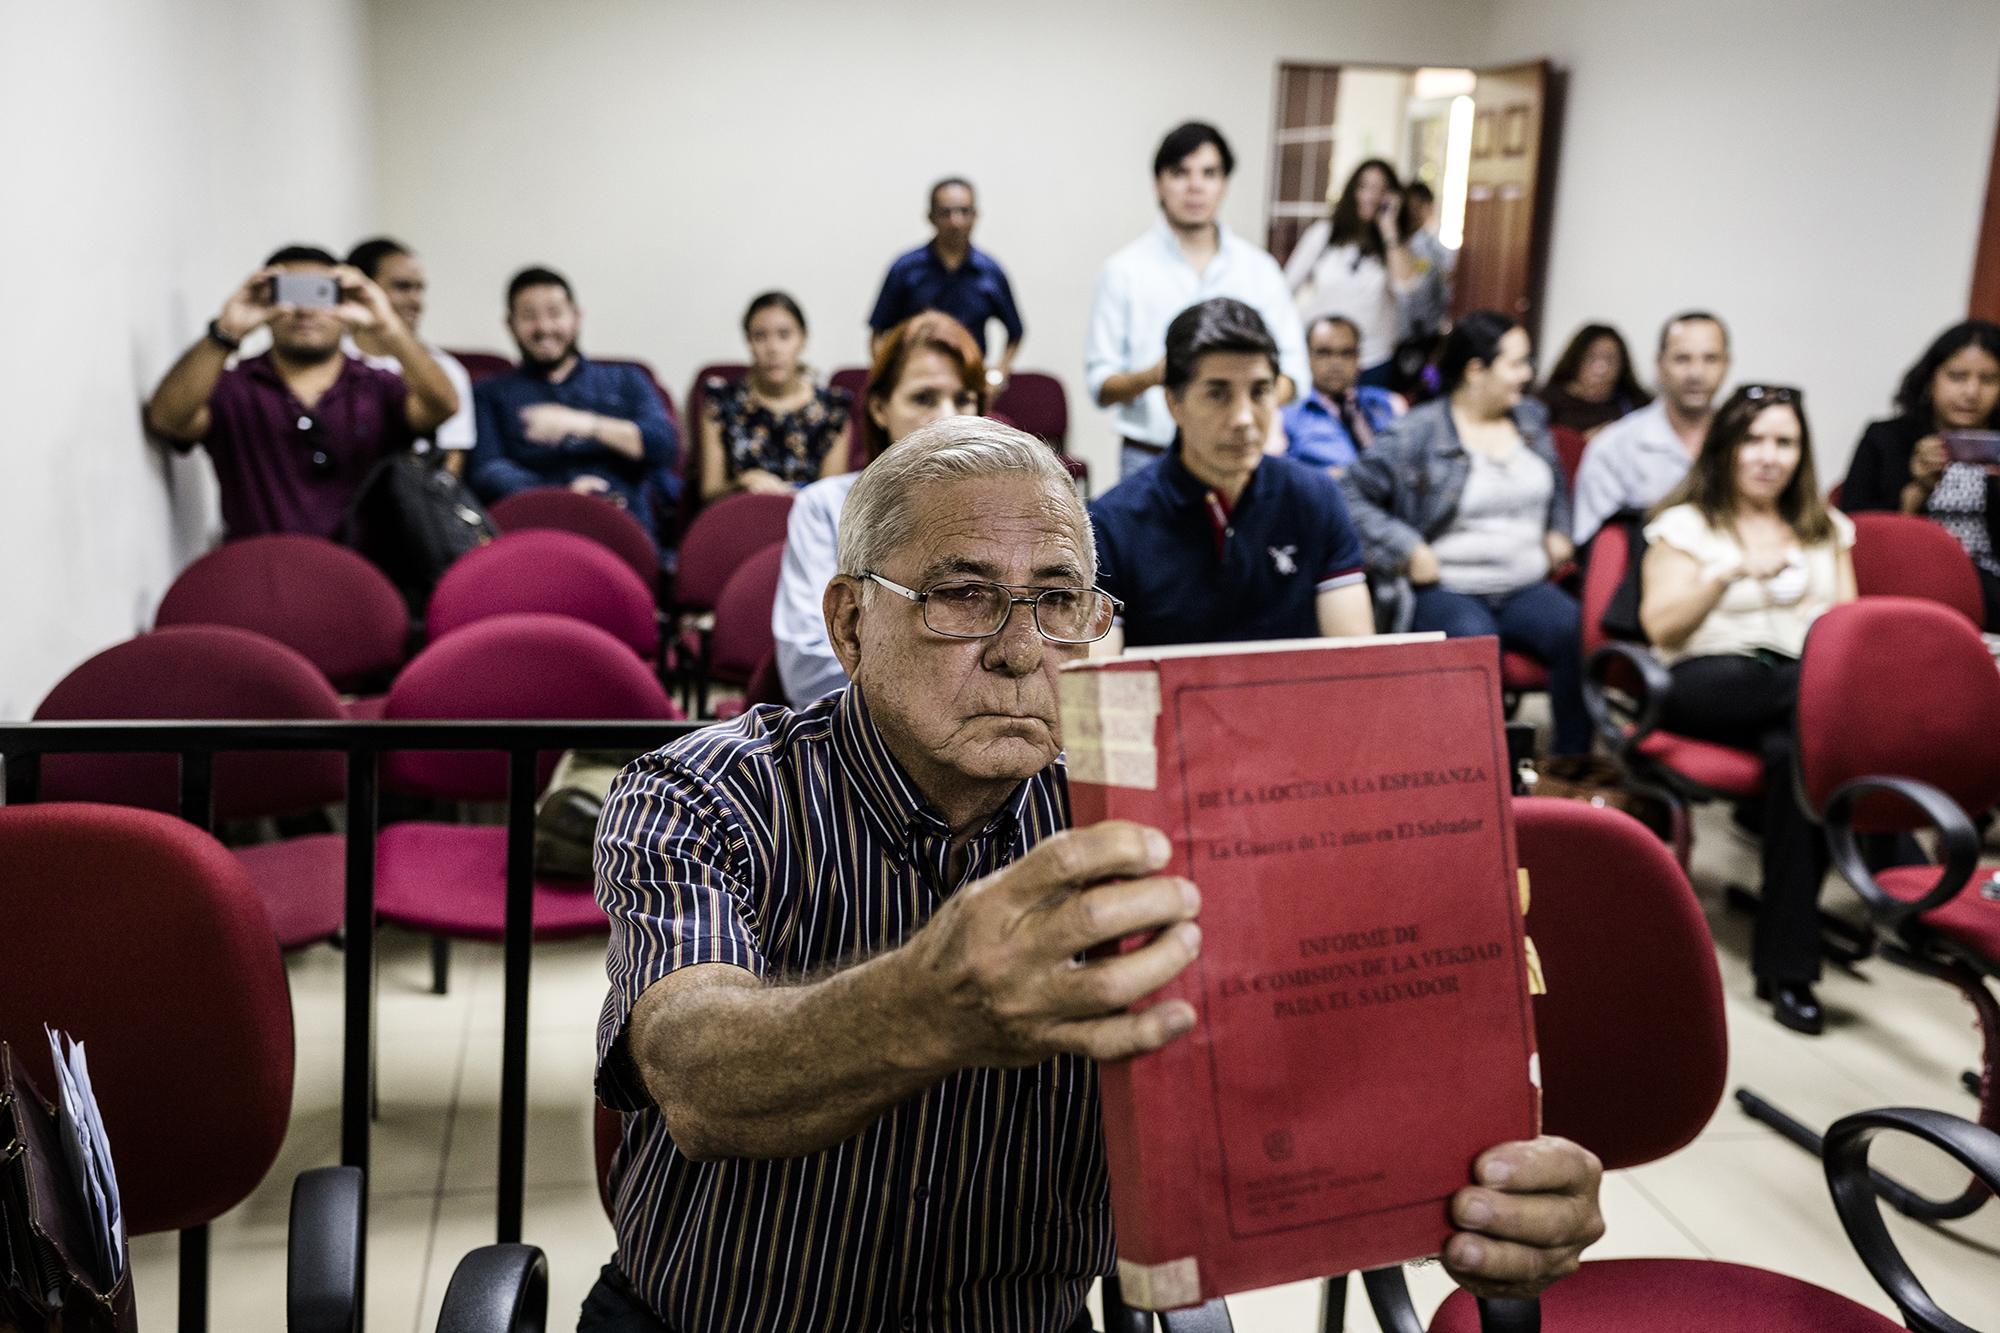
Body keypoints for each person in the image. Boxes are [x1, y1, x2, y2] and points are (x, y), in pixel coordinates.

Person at [587, 415, 1606, 1332]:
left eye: (1059, 601)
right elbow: (694, 1075)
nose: (1022, 650)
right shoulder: (704, 793)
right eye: (961, 596)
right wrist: (932, 1004)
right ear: (849, 624)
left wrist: (1479, 1190)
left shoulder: (1155, 820)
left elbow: (1303, 1098)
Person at [1639, 386, 1855, 1034]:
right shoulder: (1686, 525)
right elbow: (1661, 627)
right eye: (1754, 440)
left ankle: (1787, 966)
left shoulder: (1824, 527)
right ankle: (1887, 844)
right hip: (1708, 680)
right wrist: (1727, 573)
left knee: (1799, 747)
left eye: (1784, 442)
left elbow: (1848, 623)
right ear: (1728, 447)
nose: (1769, 456)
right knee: (1820, 704)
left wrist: (1821, 620)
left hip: (1794, 690)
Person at [1342, 311, 1589, 755]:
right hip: (1448, 587)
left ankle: (1574, 765)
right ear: (1476, 370)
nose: (1528, 375)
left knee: (1576, 631)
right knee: (1476, 648)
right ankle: (1483, 774)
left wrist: (1558, 529)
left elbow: (1554, 485)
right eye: (1516, 364)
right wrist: (1405, 547)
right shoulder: (1417, 431)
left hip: (1524, 584)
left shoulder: (1530, 419)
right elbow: (1348, 496)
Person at [1091, 299, 1372, 652]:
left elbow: (1355, 661)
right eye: (1218, 393)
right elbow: (1096, 688)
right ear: (1173, 403)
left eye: (1259, 392)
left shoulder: (1315, 497)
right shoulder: (1112, 524)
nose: (1243, 417)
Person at [146, 244, 460, 540]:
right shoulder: (233, 387)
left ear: (343, 303)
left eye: (321, 294)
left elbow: (443, 405)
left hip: (365, 581)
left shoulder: (378, 385)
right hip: (260, 574)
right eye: (290, 293)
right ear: (267, 301)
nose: (305, 310)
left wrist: (388, 327)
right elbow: (167, 419)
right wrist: (227, 331)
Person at [772, 312, 986, 704]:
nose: (949, 417)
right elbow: (806, 669)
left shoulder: (1001, 516)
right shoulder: (824, 508)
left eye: (964, 398)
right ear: (879, 409)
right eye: (924, 398)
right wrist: (949, 693)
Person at [1086, 121, 1307, 480]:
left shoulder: (1260, 270)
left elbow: (1295, 375)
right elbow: (1101, 384)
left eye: (1209, 173)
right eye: (1180, 173)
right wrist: (1154, 376)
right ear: (1159, 183)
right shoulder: (1123, 271)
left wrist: (1241, 397)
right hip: (1150, 457)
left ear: (1224, 184)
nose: (1195, 186)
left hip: (1240, 457)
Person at [467, 267, 679, 532]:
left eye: (555, 313)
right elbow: (487, 472)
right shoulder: (489, 393)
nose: (544, 327)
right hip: (536, 525)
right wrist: (563, 496)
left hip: (623, 521)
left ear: (576, 317)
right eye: (529, 316)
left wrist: (585, 424)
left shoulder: (627, 378)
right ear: (510, 325)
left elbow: (664, 445)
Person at [1840, 320, 2000, 628]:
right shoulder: (1887, 438)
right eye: (1957, 376)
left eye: (1989, 380)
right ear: (1930, 380)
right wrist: (1917, 488)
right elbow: (1853, 534)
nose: (1971, 392)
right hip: (1908, 577)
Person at [1570, 312, 1731, 546]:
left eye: (1710, 359)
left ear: (1726, 364)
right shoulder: (1614, 447)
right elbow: (1596, 553)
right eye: (1682, 359)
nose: (1696, 373)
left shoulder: (1748, 445)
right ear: (1660, 364)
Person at [868, 178, 1025, 393]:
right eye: (946, 212)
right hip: (918, 382)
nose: (956, 221)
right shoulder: (905, 269)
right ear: (931, 217)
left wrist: (997, 375)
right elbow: (878, 333)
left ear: (975, 215)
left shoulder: (991, 272)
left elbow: (1015, 332)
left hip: (969, 383)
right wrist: (890, 380)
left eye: (964, 211)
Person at [698, 292, 852, 503]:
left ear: (803, 339)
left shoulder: (832, 410)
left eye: (784, 335)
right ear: (748, 341)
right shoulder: (721, 403)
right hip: (740, 521)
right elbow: (709, 494)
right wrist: (742, 485)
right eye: (760, 336)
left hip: (807, 527)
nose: (773, 348)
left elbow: (832, 500)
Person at [344, 236, 478, 473]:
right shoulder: (329, 361)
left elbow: (449, 471)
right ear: (360, 291)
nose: (416, 301)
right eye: (402, 287)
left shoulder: (445, 371)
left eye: (420, 288)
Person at [1283, 159, 1417, 389]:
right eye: (1364, 187)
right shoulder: (1324, 234)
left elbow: (1405, 287)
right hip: (1320, 355)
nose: (1370, 196)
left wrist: (1389, 228)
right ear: (1352, 191)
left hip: (1371, 359)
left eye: (1380, 189)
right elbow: (1285, 287)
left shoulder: (1396, 246)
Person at [1282, 314, 1404, 475]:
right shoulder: (1288, 418)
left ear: (1358, 358)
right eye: (1324, 353)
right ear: (1308, 357)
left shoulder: (1386, 402)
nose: (1335, 363)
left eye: (1346, 353)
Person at [1538, 323, 1651, 438]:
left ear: (1622, 366)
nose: (1601, 369)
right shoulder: (1546, 401)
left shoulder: (1637, 404)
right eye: (1591, 357)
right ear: (1575, 359)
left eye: (1610, 360)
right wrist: (1580, 443)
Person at [1398, 179, 1455, 343]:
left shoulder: (1432, 246)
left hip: (1425, 331)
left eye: (1418, 207)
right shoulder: (1394, 243)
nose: (1412, 213)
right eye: (1409, 207)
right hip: (1397, 330)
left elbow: (1446, 281)